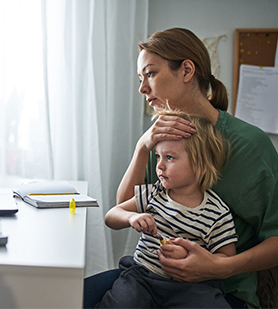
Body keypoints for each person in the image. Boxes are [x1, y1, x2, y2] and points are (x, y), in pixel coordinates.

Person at [84, 28, 278, 309]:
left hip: (218, 290)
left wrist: (218, 267)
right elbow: (123, 206)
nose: (142, 88)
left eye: (150, 74)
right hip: (150, 277)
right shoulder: (162, 139)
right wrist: (143, 147)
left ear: (186, 70)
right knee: (68, 296)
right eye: (140, 79)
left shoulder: (251, 146)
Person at [98, 109, 238, 308]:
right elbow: (111, 216)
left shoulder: (217, 213)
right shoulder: (155, 193)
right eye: (158, 157)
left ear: (200, 163)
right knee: (121, 303)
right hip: (142, 278)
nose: (159, 166)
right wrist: (130, 218)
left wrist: (195, 258)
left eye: (169, 157)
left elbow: (226, 259)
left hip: (191, 287)